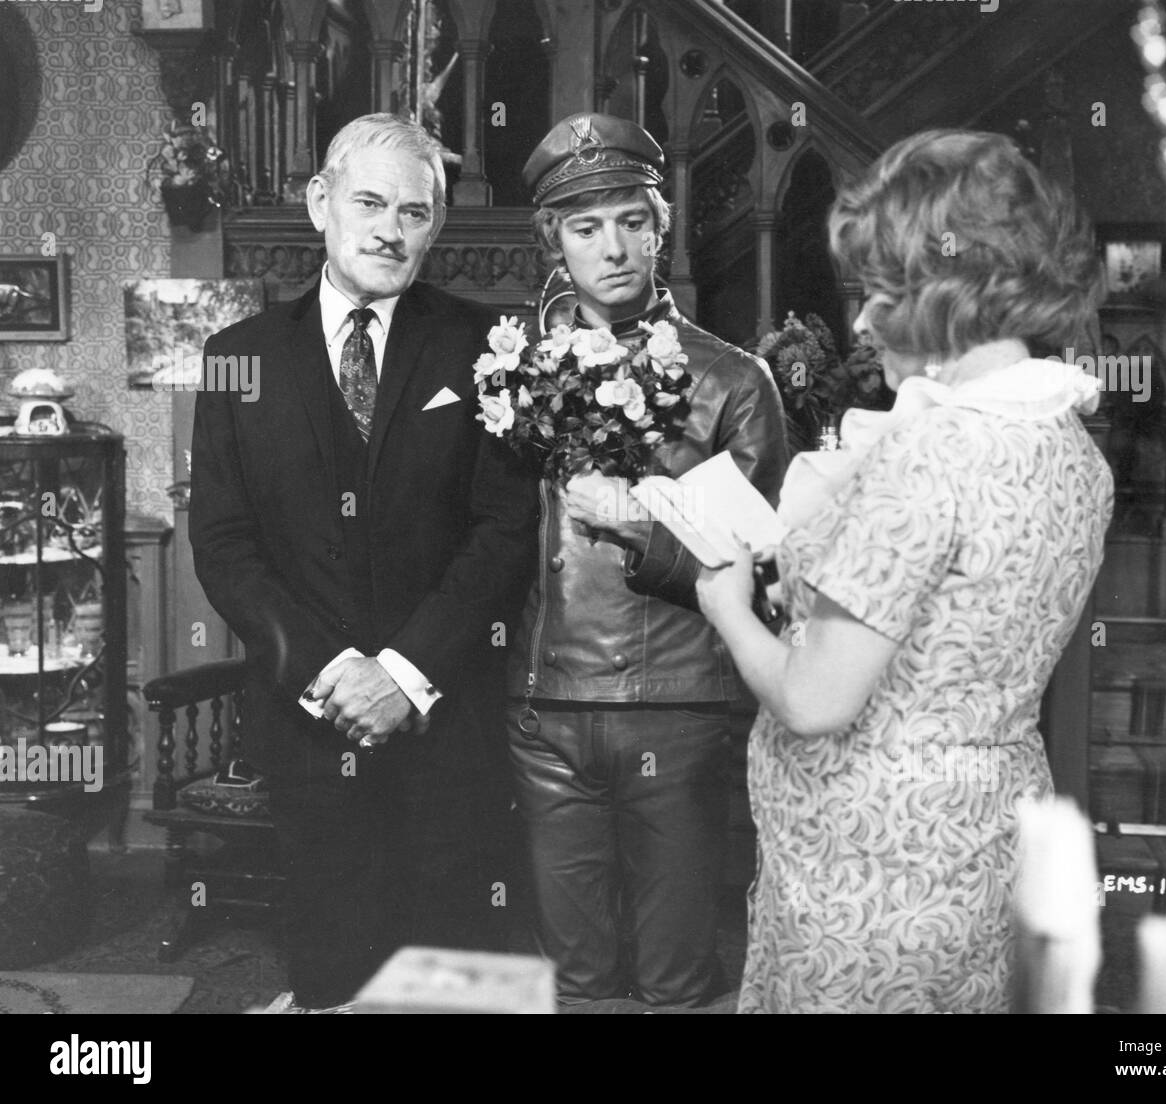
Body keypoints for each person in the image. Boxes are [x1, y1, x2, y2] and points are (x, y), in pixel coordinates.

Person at [695, 128, 1114, 1013]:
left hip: (870, 867)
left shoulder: (928, 455)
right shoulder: (1072, 446)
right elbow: (957, 635)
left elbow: (815, 703)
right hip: (989, 835)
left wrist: (729, 604)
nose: (859, 321)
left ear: (945, 294)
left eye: (880, 294)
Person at [190, 113, 538, 1008]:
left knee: (454, 981)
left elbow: (505, 529)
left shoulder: (488, 346)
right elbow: (223, 546)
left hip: (448, 720)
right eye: (371, 202)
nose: (391, 228)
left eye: (416, 213)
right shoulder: (234, 360)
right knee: (334, 969)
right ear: (320, 203)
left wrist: (408, 674)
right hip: (311, 727)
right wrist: (333, 672)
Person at [506, 113, 788, 1006]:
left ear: (660, 227)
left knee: (676, 976)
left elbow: (765, 568)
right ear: (556, 243)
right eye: (586, 228)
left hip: (678, 704)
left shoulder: (734, 381)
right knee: (574, 977)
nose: (614, 247)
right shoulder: (513, 372)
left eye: (633, 221)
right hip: (544, 706)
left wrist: (638, 523)